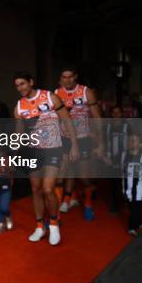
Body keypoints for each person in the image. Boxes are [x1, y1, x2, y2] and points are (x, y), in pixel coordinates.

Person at [13, 71, 79, 246]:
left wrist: (74, 145)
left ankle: (55, 224)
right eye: (17, 85)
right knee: (35, 189)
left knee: (48, 189)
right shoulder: (19, 107)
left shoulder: (50, 97)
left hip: (53, 149)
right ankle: (40, 226)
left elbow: (67, 121)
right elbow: (19, 133)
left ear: (31, 82)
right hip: (33, 152)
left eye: (22, 84)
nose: (20, 88)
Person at [54, 68, 105, 221]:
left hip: (83, 139)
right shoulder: (56, 93)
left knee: (84, 177)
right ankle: (55, 214)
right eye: (64, 77)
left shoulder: (85, 92)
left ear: (75, 77)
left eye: (70, 77)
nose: (67, 80)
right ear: (61, 78)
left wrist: (101, 143)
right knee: (60, 177)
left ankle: (88, 204)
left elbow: (97, 118)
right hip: (64, 138)